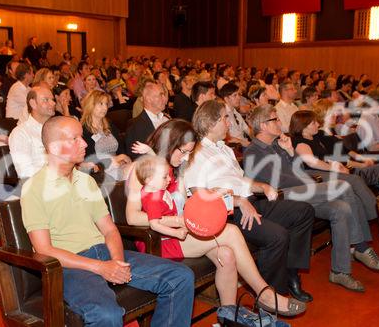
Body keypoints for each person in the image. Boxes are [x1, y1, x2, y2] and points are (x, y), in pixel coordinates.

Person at [20, 115, 195, 326]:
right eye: (75, 138)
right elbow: (44, 250)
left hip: (103, 252)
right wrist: (100, 268)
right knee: (106, 314)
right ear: (54, 147)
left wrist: (117, 262)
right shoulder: (35, 189)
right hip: (68, 265)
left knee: (181, 277)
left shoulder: (86, 181)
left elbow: (110, 230)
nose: (84, 143)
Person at [127, 120, 306, 319]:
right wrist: (175, 221)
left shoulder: (177, 169)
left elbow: (189, 205)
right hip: (160, 238)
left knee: (227, 255)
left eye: (189, 152)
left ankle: (230, 317)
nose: (186, 158)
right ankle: (264, 293)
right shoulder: (143, 168)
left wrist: (221, 199)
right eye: (183, 151)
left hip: (183, 230)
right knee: (230, 231)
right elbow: (132, 217)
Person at [183, 100, 315, 299]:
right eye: (225, 117)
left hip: (250, 202)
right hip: (228, 213)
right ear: (211, 122)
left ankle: (291, 273)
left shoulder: (225, 149)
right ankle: (271, 298)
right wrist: (237, 201)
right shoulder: (197, 153)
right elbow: (199, 195)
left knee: (303, 211)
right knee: (277, 236)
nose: (229, 122)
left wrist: (261, 186)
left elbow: (241, 180)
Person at [245, 105, 379, 291]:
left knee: (340, 208)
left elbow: (297, 170)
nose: (279, 122)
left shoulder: (278, 145)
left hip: (299, 190)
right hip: (282, 197)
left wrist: (290, 152)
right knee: (343, 186)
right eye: (274, 119)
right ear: (263, 125)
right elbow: (279, 182)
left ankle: (340, 271)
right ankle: (360, 246)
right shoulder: (254, 151)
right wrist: (311, 185)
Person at [80, 90, 131, 181]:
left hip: (118, 167)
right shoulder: (83, 130)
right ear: (91, 105)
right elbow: (89, 160)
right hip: (101, 172)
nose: (105, 108)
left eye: (106, 104)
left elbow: (121, 147)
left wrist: (122, 158)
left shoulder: (109, 124)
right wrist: (116, 159)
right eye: (101, 104)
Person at [8, 86, 55, 178]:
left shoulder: (57, 129)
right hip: (41, 186)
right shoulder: (21, 133)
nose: (53, 103)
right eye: (46, 100)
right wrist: (57, 170)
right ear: (33, 103)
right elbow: (24, 172)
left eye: (52, 99)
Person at [125, 82, 169, 160]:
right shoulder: (135, 126)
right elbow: (138, 158)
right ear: (149, 99)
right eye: (161, 95)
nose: (165, 99)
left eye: (164, 95)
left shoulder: (166, 119)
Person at [219, 82, 251, 147]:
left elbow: (248, 130)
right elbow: (224, 138)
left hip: (244, 144)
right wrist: (241, 142)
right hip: (235, 148)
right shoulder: (223, 114)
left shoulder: (235, 112)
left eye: (239, 95)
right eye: (235, 95)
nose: (239, 98)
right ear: (226, 99)